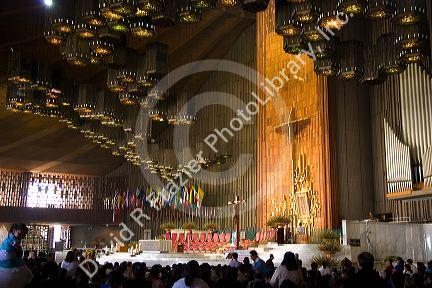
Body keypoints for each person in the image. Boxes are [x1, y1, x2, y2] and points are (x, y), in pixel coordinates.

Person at [0, 223, 33, 288]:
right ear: (14, 230)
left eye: (23, 235)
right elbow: (19, 253)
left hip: (2, 260)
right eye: (20, 234)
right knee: (30, 275)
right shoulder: (15, 241)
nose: (21, 236)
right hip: (8, 260)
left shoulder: (9, 237)